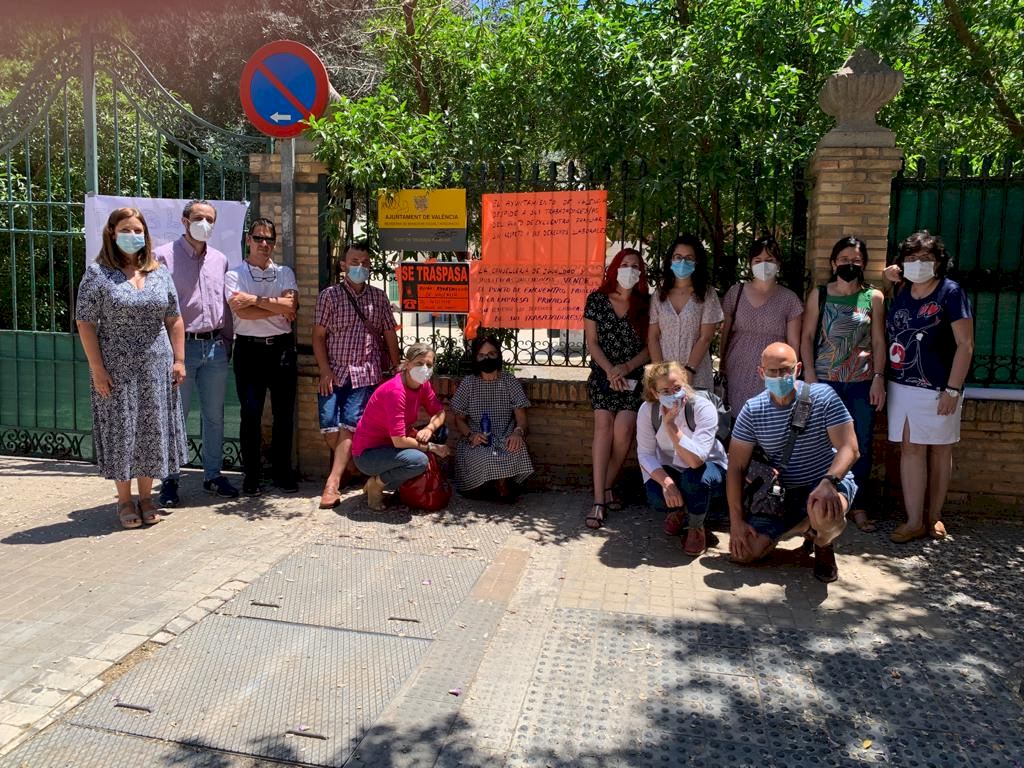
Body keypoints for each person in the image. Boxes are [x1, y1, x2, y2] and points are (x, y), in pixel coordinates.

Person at [75, 207, 188, 529]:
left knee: (151, 431)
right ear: (112, 233)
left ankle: (147, 497)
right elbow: (85, 323)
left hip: (156, 366)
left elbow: (174, 318)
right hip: (117, 368)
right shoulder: (98, 274)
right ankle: (125, 500)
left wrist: (179, 360)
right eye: (126, 230)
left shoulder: (158, 272)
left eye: (138, 230)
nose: (133, 235)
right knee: (123, 431)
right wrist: (97, 369)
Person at [726, 343, 859, 583]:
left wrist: (829, 482)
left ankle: (823, 542)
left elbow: (850, 448)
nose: (779, 377)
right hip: (782, 494)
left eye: (785, 370)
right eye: (773, 371)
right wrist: (736, 522)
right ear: (761, 372)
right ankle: (804, 525)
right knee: (744, 553)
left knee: (824, 510)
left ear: (797, 369)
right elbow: (735, 467)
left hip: (826, 483)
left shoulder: (823, 396)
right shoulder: (752, 410)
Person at [882, 231, 974, 543]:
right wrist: (887, 279)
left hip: (939, 387)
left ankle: (934, 516)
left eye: (926, 258)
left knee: (940, 448)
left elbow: (965, 344)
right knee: (911, 449)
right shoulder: (902, 290)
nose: (918, 263)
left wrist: (953, 389)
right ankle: (913, 520)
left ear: (938, 262)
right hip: (902, 384)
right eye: (911, 258)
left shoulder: (951, 292)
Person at [800, 236, 886, 532]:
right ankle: (819, 504)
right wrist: (810, 375)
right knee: (821, 442)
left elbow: (878, 341)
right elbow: (807, 337)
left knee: (860, 443)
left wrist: (879, 378)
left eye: (856, 260)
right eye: (844, 259)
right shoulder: (820, 295)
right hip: (826, 382)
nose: (850, 264)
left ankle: (857, 505)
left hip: (861, 383)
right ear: (833, 262)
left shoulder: (873, 297)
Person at [154, 200, 238, 507]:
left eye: (210, 219)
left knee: (214, 416)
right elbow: (156, 307)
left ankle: (212, 475)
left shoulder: (220, 260)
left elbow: (224, 306)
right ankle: (170, 479)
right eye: (198, 217)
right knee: (175, 415)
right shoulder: (162, 257)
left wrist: (227, 341)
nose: (204, 223)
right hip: (181, 350)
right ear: (184, 220)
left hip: (215, 347)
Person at [313, 241, 400, 509]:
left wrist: (396, 367)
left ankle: (332, 484)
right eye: (354, 262)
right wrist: (324, 370)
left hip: (365, 373)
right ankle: (354, 469)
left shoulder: (378, 298)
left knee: (350, 425)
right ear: (343, 265)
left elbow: (389, 335)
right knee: (330, 429)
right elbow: (318, 337)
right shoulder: (329, 296)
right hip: (334, 372)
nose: (359, 267)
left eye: (364, 263)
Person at [224, 218, 299, 496]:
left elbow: (291, 305)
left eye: (269, 239)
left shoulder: (284, 272)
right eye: (258, 238)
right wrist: (276, 307)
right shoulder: (234, 275)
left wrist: (254, 300)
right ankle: (252, 475)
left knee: (284, 414)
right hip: (249, 350)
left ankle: (282, 472)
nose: (264, 244)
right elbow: (241, 312)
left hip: (281, 349)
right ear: (248, 240)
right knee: (251, 414)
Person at [583, 248, 651, 529]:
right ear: (614, 268)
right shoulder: (597, 300)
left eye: (635, 266)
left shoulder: (646, 305)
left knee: (624, 429)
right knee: (603, 425)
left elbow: (651, 347)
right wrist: (611, 370)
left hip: (633, 377)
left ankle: (607, 485)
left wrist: (626, 367)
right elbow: (592, 342)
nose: (629, 270)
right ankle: (599, 500)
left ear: (641, 273)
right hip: (603, 375)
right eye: (624, 264)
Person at [636, 361, 728, 557]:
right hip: (672, 467)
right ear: (654, 393)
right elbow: (645, 454)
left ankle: (696, 526)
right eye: (665, 391)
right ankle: (679, 511)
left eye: (677, 388)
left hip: (708, 467)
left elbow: (696, 461)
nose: (673, 394)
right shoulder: (647, 410)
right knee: (655, 493)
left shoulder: (702, 407)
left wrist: (671, 426)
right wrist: (667, 483)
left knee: (694, 479)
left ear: (685, 384)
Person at [351, 343, 449, 511]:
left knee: (441, 433)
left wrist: (430, 428)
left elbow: (440, 412)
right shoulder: (396, 391)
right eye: (419, 363)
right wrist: (431, 447)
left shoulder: (422, 385)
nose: (424, 368)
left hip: (391, 447)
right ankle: (376, 485)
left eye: (429, 364)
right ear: (407, 364)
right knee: (419, 461)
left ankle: (388, 482)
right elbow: (399, 441)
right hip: (368, 454)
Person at [720, 236, 803, 411]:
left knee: (770, 413)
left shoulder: (790, 299)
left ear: (778, 263)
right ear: (750, 263)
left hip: (774, 370)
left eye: (769, 260)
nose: (763, 264)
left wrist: (792, 374)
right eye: (758, 260)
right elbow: (724, 333)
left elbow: (794, 342)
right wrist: (722, 364)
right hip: (738, 365)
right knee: (739, 414)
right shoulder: (735, 293)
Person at [449, 335, 534, 501]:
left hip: (505, 436)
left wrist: (517, 433)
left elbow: (522, 419)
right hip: (478, 438)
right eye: (481, 355)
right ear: (475, 358)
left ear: (498, 355)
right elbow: (459, 419)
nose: (486, 359)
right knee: (485, 455)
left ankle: (501, 485)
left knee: (517, 447)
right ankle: (494, 486)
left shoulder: (509, 381)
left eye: (491, 354)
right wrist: (471, 435)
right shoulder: (469, 384)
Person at [648, 234, 723, 390]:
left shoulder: (707, 294)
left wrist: (689, 370)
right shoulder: (659, 295)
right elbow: (653, 337)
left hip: (696, 375)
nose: (683, 262)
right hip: (665, 378)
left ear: (697, 262)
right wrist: (660, 371)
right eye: (678, 257)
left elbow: (705, 337)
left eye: (689, 258)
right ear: (671, 260)